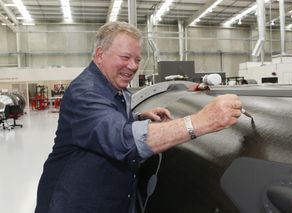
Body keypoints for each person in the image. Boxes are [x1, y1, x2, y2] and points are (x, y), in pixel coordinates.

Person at [35, 21, 242, 213]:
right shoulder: (85, 92)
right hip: (76, 204)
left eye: (137, 59)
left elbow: (105, 121)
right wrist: (201, 121)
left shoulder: (115, 87)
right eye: (125, 58)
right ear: (99, 55)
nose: (133, 66)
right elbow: (122, 141)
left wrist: (138, 117)